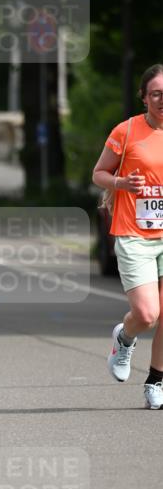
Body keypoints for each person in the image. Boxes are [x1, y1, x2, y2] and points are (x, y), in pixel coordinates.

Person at [92, 63, 163, 409]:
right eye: (156, 94)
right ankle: (125, 337)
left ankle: (156, 381)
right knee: (148, 314)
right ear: (144, 97)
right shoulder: (126, 131)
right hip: (135, 233)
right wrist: (121, 183)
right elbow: (99, 173)